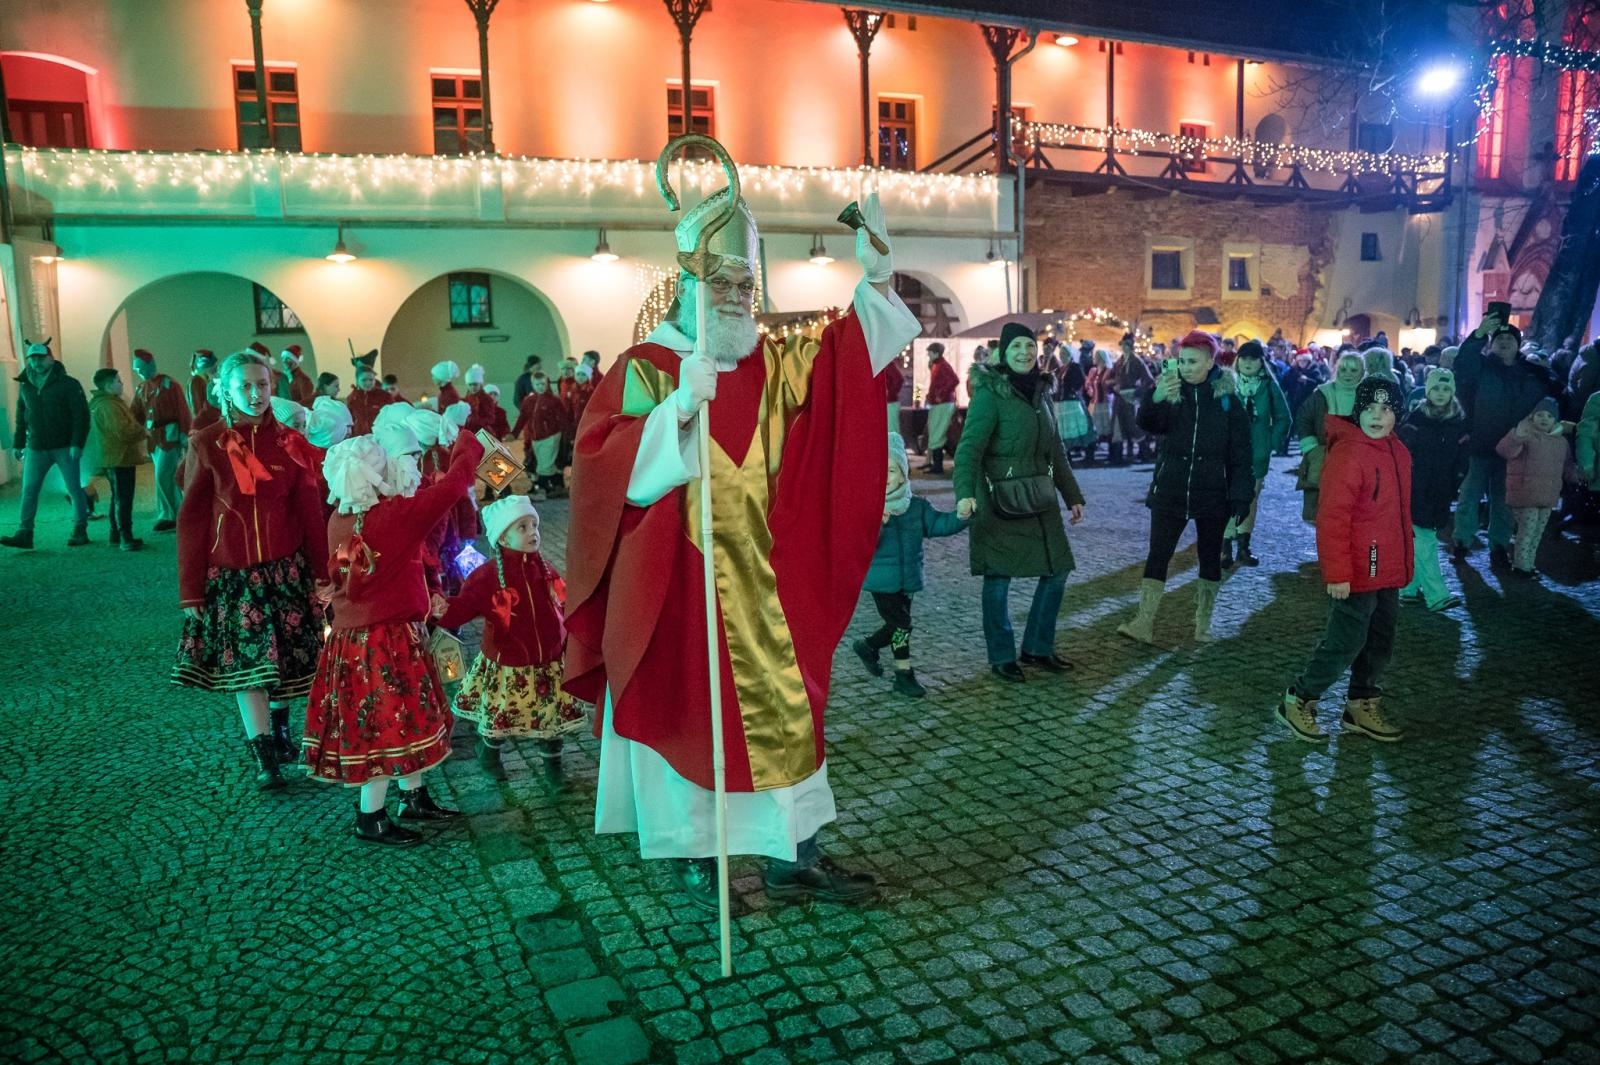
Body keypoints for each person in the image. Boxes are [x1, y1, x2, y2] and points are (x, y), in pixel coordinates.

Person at [566, 188, 919, 911]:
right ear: (689, 283)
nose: (735, 297)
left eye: (745, 284)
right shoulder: (646, 367)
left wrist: (876, 277)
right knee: (684, 718)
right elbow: (602, 472)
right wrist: (674, 412)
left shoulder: (776, 364)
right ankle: (696, 858)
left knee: (788, 713)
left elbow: (849, 362)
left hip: (766, 583)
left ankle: (793, 854)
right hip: (675, 591)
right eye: (720, 282)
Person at [304, 427, 484, 845]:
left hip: (353, 641)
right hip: (385, 641)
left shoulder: (341, 518)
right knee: (387, 725)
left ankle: (414, 795)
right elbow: (455, 486)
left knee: (404, 719)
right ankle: (371, 817)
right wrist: (467, 445)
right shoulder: (394, 518)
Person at [172, 349, 328, 789]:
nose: (255, 394)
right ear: (225, 389)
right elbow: (193, 519)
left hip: (285, 572)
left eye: (262, 385)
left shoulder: (290, 444)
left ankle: (281, 735)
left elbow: (310, 514)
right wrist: (191, 590)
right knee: (250, 668)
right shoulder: (207, 443)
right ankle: (265, 757)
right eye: (245, 386)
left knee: (285, 664)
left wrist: (322, 574)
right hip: (235, 578)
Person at [1277, 377, 1412, 744]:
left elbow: (1396, 515)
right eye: (1369, 408)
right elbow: (1333, 517)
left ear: (1397, 413)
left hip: (1385, 567)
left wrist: (1402, 563)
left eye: (1385, 409)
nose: (1377, 416)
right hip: (1357, 568)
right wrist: (1337, 573)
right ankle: (1300, 697)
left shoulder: (1397, 451)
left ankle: (1361, 703)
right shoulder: (1350, 452)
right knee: (1346, 640)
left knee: (1380, 639)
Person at [954, 322, 1086, 681]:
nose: (1024, 353)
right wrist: (965, 493)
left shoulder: (1043, 392)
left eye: (1029, 346)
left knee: (1057, 569)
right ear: (1003, 353)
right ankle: (1001, 656)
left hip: (1039, 497)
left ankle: (1037, 648)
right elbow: (968, 450)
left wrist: (1072, 495)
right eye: (1016, 348)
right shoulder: (989, 394)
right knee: (998, 578)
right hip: (1000, 498)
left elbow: (1055, 449)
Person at [1117, 331, 1253, 645]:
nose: (1186, 367)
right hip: (1172, 486)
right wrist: (1156, 397)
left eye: (1193, 361)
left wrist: (1241, 493)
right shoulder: (1171, 389)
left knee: (1209, 556)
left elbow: (1241, 450)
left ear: (1210, 361)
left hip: (1213, 490)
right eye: (1182, 361)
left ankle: (1202, 624)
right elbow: (1149, 424)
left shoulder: (1227, 397)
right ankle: (1144, 621)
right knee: (1158, 554)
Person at [437, 495, 585, 781]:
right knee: (502, 714)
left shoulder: (544, 567)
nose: (533, 532)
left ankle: (553, 768)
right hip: (509, 663)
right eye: (523, 527)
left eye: (534, 525)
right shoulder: (486, 577)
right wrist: (445, 609)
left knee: (551, 716)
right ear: (503, 538)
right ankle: (489, 751)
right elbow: (465, 606)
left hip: (548, 659)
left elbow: (562, 599)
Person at [852, 433, 967, 698]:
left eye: (891, 470)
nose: (886, 476)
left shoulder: (916, 507)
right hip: (882, 581)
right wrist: (876, 527)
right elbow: (860, 545)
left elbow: (939, 524)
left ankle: (868, 646)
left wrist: (962, 516)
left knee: (897, 625)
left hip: (908, 580)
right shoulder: (869, 508)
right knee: (902, 624)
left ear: (904, 474)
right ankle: (904, 675)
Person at [1452, 315, 1554, 567]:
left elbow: (1546, 400)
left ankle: (1498, 545)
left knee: (1503, 500)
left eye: (1510, 338)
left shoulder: (1531, 374)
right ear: (1492, 344)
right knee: (1470, 495)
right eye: (1500, 338)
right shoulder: (1481, 367)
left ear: (1519, 344)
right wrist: (1478, 335)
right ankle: (1462, 542)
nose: (1505, 342)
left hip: (1512, 448)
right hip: (1481, 443)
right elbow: (1462, 363)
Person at [3, 340, 91, 550]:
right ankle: (25, 532)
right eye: (33, 359)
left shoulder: (69, 384)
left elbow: (81, 416)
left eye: (41, 358)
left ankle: (80, 528)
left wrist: (77, 443)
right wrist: (19, 443)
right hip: (36, 447)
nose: (37, 362)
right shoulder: (26, 386)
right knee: (29, 490)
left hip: (64, 446)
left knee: (73, 489)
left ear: (51, 359)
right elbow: (21, 417)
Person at [1397, 368, 1467, 610]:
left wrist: (1455, 481)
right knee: (1425, 540)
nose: (1440, 393)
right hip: (1416, 490)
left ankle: (1408, 587)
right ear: (1427, 391)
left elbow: (1461, 459)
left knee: (1422, 538)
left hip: (1440, 491)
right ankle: (1437, 594)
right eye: (1436, 388)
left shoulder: (1457, 423)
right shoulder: (1415, 420)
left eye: (1446, 388)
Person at [1222, 340, 1290, 568]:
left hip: (1256, 454)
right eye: (1244, 358)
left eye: (1253, 358)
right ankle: (1224, 546)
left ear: (1261, 362)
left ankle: (1243, 546)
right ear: (1237, 360)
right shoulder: (1227, 383)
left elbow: (1283, 417)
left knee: (1249, 500)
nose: (1248, 363)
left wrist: (1269, 443)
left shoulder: (1269, 385)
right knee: (1226, 497)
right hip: (1229, 452)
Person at [1496, 397, 1573, 579]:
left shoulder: (1561, 442)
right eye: (1540, 414)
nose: (1544, 418)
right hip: (1525, 494)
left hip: (1546, 497)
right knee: (1527, 531)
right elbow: (1504, 450)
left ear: (1555, 420)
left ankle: (1529, 564)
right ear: (1532, 417)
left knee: (1537, 533)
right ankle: (1521, 566)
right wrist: (1517, 435)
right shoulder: (1525, 435)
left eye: (1549, 416)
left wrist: (1578, 476)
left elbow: (1567, 466)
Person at [1293, 350, 1365, 522]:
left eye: (1354, 370)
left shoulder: (1368, 396)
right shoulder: (1322, 394)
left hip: (1358, 459)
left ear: (1362, 372)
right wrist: (1311, 447)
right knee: (1324, 510)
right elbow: (1304, 417)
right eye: (1344, 369)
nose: (1348, 374)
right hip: (1325, 455)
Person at [83, 367, 147, 552]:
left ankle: (116, 534)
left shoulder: (102, 403)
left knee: (118, 497)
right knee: (123, 498)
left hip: (113, 456)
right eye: (118, 381)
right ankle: (125, 537)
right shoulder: (109, 405)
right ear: (109, 385)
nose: (122, 384)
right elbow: (123, 431)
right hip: (119, 457)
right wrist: (142, 431)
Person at [131, 348, 192, 533]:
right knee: (164, 475)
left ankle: (171, 514)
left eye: (140, 368)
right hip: (153, 438)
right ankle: (171, 512)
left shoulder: (169, 384)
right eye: (136, 369)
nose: (139, 372)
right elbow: (135, 413)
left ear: (150, 365)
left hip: (169, 436)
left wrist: (184, 434)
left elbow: (182, 409)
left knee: (163, 475)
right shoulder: (142, 388)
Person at [511, 371, 568, 498]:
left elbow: (563, 418)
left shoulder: (554, 400)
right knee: (544, 463)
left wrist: (566, 437)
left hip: (551, 436)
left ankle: (541, 490)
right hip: (536, 438)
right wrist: (514, 433)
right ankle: (554, 487)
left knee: (544, 465)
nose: (540, 387)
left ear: (547, 383)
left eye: (543, 384)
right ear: (532, 384)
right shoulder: (529, 400)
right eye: (537, 384)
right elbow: (523, 417)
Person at [1111, 332, 1155, 464]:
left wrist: (1136, 392)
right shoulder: (1119, 361)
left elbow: (1149, 380)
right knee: (1120, 425)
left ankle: (1144, 453)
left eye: (1127, 345)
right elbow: (1115, 377)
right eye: (1123, 345)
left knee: (1134, 426)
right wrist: (1114, 385)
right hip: (1120, 398)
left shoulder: (1137, 361)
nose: (1125, 348)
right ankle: (1122, 454)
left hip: (1130, 399)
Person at [920, 343, 959, 474]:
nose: (928, 354)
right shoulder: (938, 365)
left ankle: (937, 466)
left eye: (930, 352)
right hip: (940, 404)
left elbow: (954, 380)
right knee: (935, 432)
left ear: (936, 353)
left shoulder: (942, 366)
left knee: (937, 433)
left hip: (943, 404)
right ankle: (934, 464)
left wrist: (940, 395)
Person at [346, 351, 394, 436]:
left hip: (380, 438)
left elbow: (392, 418)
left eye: (371, 380)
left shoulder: (385, 396)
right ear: (357, 380)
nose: (368, 383)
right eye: (364, 380)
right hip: (359, 439)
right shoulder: (352, 398)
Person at [187, 349, 221, 433]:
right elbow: (197, 408)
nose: (215, 368)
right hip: (205, 426)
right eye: (212, 366)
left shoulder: (206, 380)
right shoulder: (197, 381)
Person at [462, 363, 500, 435]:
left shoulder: (487, 399)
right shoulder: (466, 399)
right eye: (470, 384)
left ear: (480, 384)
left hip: (482, 432)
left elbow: (491, 419)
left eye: (475, 384)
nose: (473, 387)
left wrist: (476, 421)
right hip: (469, 431)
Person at [883, 351, 906, 430]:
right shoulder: (884, 364)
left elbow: (899, 379)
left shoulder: (886, 364)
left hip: (890, 403)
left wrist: (890, 394)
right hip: (887, 402)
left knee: (891, 430)